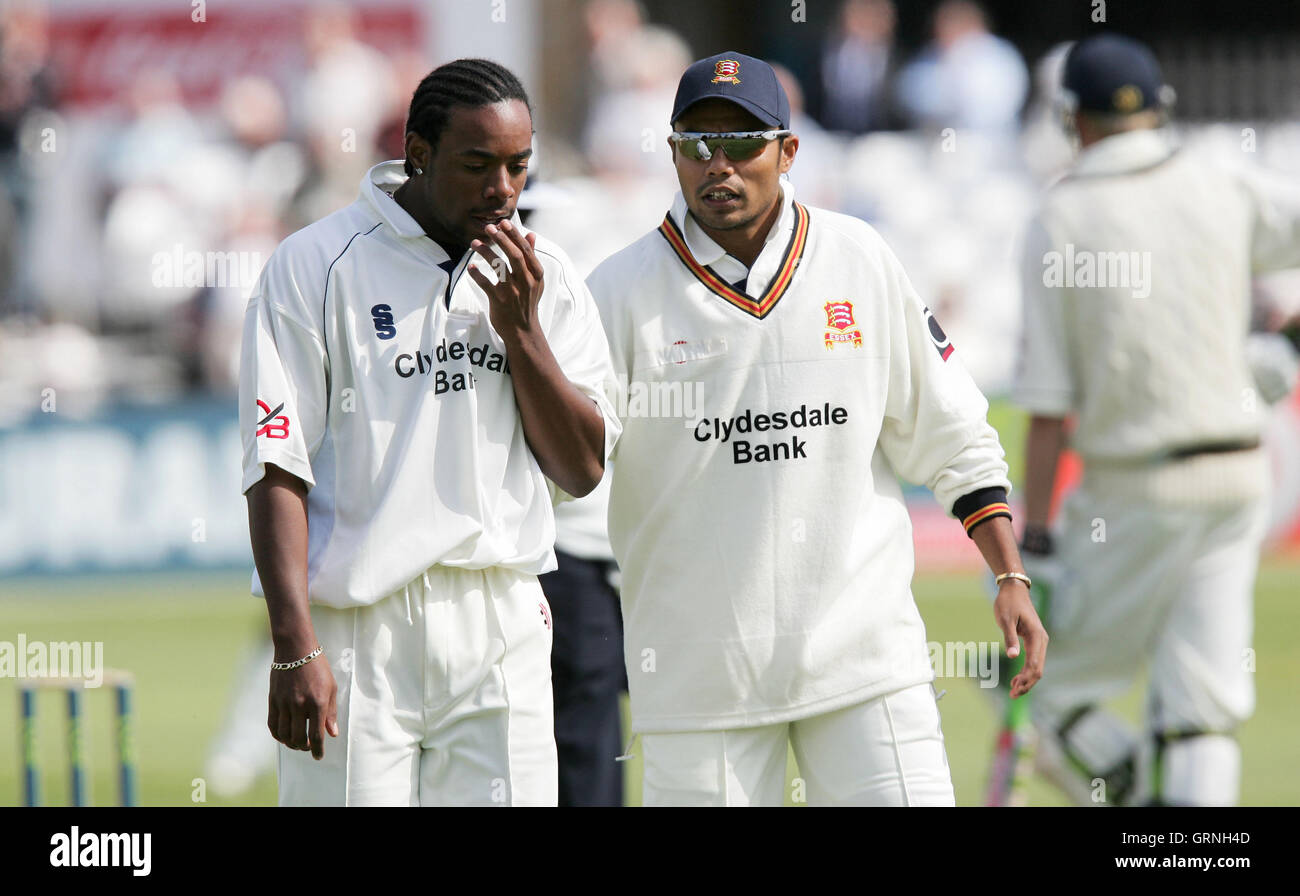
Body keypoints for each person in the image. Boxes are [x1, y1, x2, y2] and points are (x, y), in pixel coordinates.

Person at [586, 51, 1047, 807]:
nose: (718, 166)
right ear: (672, 152)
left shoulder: (858, 258)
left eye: (742, 144)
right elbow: (573, 464)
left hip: (864, 664)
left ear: (788, 151)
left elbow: (952, 431)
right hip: (700, 681)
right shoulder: (618, 290)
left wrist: (1009, 572)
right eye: (697, 144)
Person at [238, 58, 620, 807]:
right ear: (417, 152)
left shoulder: (548, 278)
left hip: (501, 618)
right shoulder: (314, 266)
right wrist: (292, 644)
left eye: (518, 166)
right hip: (357, 629)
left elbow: (581, 469)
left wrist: (522, 334)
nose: (503, 189)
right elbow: (276, 465)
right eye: (477, 164)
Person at [1015, 34, 1300, 806]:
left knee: (1039, 688)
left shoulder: (1061, 217)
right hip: (1240, 476)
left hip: (1133, 490)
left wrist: (1032, 543)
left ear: (1071, 118)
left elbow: (1046, 408)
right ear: (1160, 108)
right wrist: (1287, 346)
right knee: (1200, 710)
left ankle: (1142, 805)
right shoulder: (1221, 181)